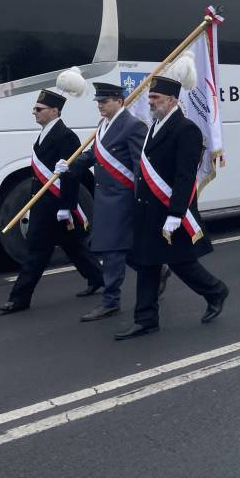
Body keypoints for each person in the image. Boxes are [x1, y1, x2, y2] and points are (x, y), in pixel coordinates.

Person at [115, 75, 228, 340]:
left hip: (169, 210)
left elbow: (185, 176)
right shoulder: (154, 126)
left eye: (156, 98)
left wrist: (176, 213)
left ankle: (216, 291)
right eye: (150, 97)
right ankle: (146, 319)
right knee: (147, 263)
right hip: (149, 209)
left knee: (181, 262)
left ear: (172, 100)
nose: (151, 102)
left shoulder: (186, 130)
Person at [0, 85, 104, 314]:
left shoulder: (66, 136)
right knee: (75, 248)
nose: (34, 112)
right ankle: (99, 279)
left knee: (37, 252)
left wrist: (66, 207)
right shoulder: (45, 134)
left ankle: (18, 299)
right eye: (35, 108)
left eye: (39, 109)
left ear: (54, 111)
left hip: (56, 206)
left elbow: (71, 175)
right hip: (43, 204)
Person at [58, 82, 147, 322]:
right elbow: (94, 155)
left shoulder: (133, 126)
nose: (100, 106)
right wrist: (70, 165)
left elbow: (140, 167)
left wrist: (139, 200)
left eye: (105, 101)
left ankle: (110, 302)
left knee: (112, 249)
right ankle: (156, 271)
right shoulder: (103, 125)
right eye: (98, 102)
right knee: (119, 247)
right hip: (105, 198)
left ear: (119, 100)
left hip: (122, 199)